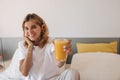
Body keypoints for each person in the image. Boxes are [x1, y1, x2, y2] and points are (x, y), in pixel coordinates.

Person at [0, 13, 80, 80]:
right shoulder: (22, 45)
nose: (30, 31)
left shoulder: (51, 42)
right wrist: (30, 47)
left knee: (73, 73)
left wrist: (64, 53)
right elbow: (24, 72)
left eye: (33, 27)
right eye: (26, 28)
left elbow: (59, 64)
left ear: (42, 28)